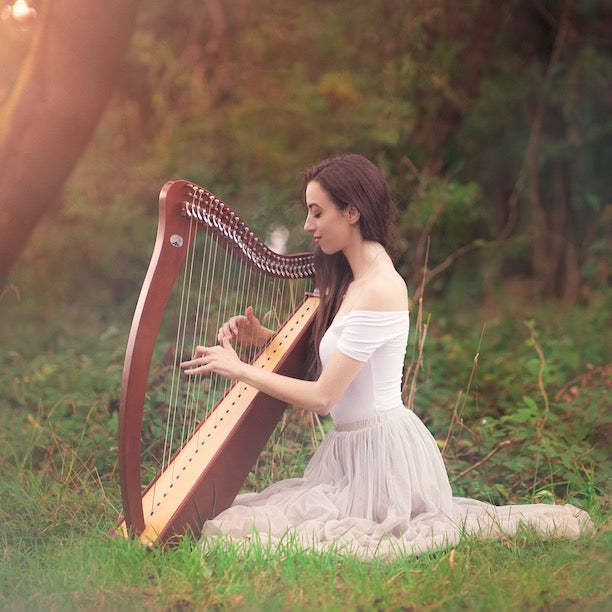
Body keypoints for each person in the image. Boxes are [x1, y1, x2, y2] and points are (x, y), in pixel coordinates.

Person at [180, 154, 591, 560]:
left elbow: (324, 397)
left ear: (352, 212)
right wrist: (264, 338)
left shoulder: (379, 287)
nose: (308, 226)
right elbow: (339, 359)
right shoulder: (354, 279)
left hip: (381, 456)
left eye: (317, 213)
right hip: (350, 453)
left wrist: (239, 370)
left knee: (270, 531)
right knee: (264, 519)